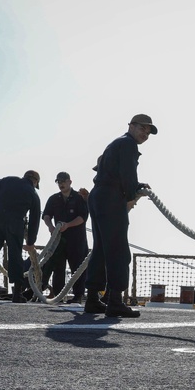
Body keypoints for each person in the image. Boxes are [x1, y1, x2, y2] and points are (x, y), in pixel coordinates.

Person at [84, 114, 156, 317]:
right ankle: (114, 301)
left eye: (148, 132)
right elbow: (127, 174)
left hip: (98, 195)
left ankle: (92, 300)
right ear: (131, 126)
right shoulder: (128, 145)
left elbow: (112, 172)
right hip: (110, 198)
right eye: (142, 128)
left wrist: (136, 186)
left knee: (100, 249)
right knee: (119, 250)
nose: (145, 134)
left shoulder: (117, 143)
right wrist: (133, 192)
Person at [0, 170, 41, 302]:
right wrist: (31, 241)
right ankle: (17, 294)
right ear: (35, 182)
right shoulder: (33, 194)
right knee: (15, 256)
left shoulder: (8, 180)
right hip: (15, 224)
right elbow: (35, 220)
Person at [41, 171, 89, 303]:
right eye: (59, 182)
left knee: (77, 268)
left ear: (69, 181)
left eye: (63, 181)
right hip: (58, 240)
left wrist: (68, 225)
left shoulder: (79, 198)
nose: (61, 184)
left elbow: (82, 217)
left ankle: (78, 295)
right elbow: (46, 215)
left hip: (76, 240)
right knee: (58, 267)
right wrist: (51, 227)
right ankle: (58, 295)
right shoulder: (53, 199)